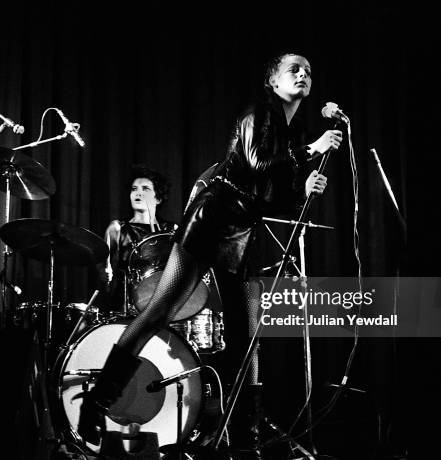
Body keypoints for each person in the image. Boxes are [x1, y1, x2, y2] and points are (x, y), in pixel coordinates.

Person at [79, 53, 343, 458]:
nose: (304, 74)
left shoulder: (295, 130)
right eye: (295, 68)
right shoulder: (260, 113)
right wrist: (311, 150)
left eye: (309, 70)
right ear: (273, 80)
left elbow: (277, 195)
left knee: (247, 337)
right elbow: (257, 165)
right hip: (213, 217)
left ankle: (245, 441)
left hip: (245, 230)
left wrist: (304, 189)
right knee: (158, 311)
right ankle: (96, 405)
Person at [100, 165, 176, 314]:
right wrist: (104, 273)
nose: (138, 193)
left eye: (145, 189)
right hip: (124, 307)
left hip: (161, 306)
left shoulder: (172, 229)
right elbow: (104, 269)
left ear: (158, 198)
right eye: (134, 189)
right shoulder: (117, 228)